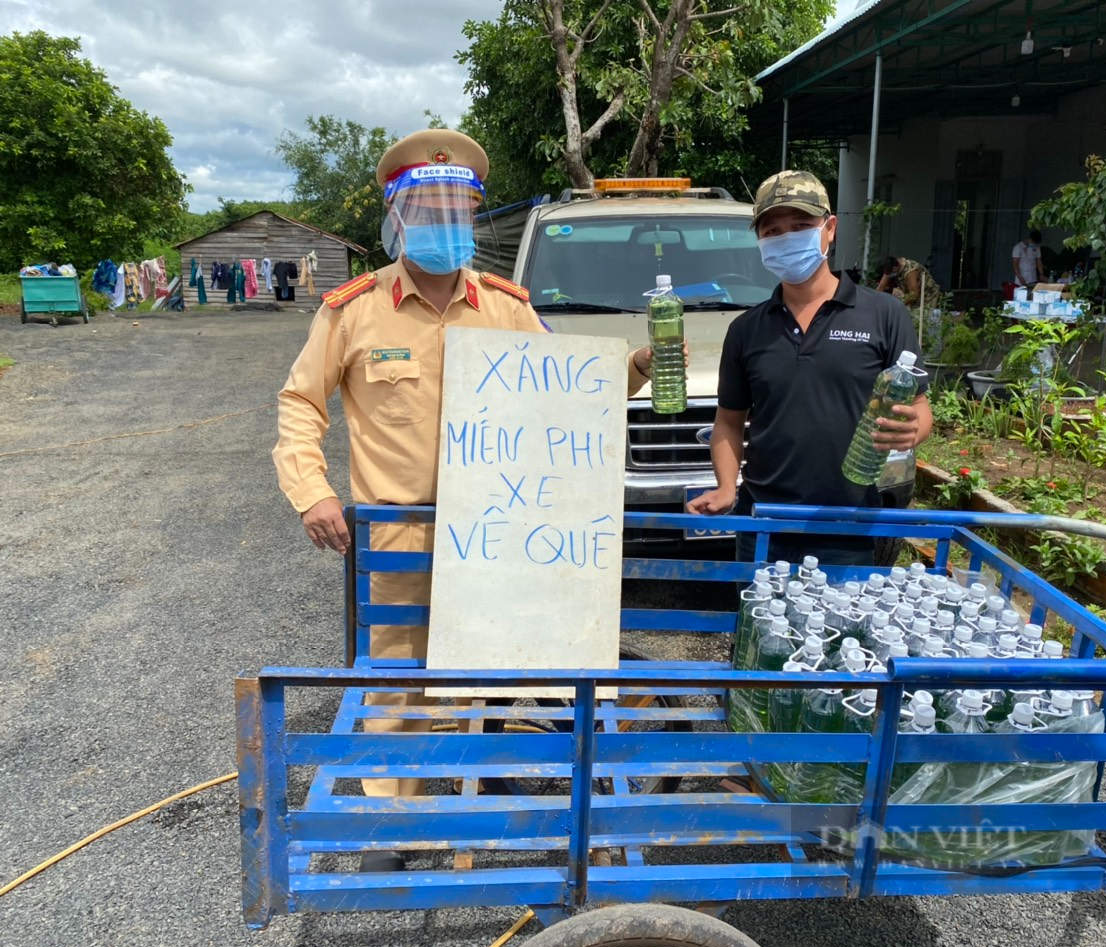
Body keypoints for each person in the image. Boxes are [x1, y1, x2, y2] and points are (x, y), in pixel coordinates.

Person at [271, 128, 659, 871]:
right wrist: (310, 489)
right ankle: (391, 821)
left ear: (474, 219)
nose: (444, 224)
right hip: (401, 538)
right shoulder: (353, 310)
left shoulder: (508, 306)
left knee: (484, 671)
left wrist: (633, 370)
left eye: (458, 209)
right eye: (427, 207)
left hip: (499, 536)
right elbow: (299, 402)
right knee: (395, 680)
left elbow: (568, 386)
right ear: (395, 218)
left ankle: (466, 808)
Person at [686, 170, 933, 567]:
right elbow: (729, 422)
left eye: (801, 226)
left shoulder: (884, 314)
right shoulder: (747, 330)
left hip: (848, 521)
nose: (786, 238)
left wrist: (911, 431)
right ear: (760, 241)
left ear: (830, 228)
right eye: (772, 231)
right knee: (758, 629)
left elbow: (921, 410)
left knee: (843, 630)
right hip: (764, 522)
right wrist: (725, 487)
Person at [876, 254, 941, 309]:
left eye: (887, 273)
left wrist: (899, 305)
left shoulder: (910, 272)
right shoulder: (890, 267)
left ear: (894, 269)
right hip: (912, 294)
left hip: (927, 295)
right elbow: (881, 287)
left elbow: (914, 294)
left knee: (920, 318)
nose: (886, 275)